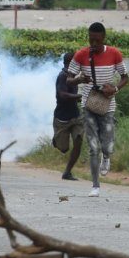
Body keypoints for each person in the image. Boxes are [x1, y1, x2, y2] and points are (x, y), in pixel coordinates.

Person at [67, 22, 129, 197]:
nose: (93, 44)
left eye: (96, 40)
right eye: (90, 39)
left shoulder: (114, 53)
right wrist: (79, 79)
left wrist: (115, 89)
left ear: (103, 38)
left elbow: (125, 77)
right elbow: (69, 80)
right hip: (88, 104)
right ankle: (95, 185)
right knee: (93, 147)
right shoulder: (81, 55)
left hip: (108, 104)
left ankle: (107, 157)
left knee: (107, 146)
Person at [53, 52, 84, 181]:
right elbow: (63, 95)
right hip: (62, 118)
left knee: (78, 141)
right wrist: (79, 96)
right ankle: (56, 140)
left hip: (75, 116)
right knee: (63, 148)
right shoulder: (62, 76)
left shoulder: (74, 77)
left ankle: (67, 172)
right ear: (70, 63)